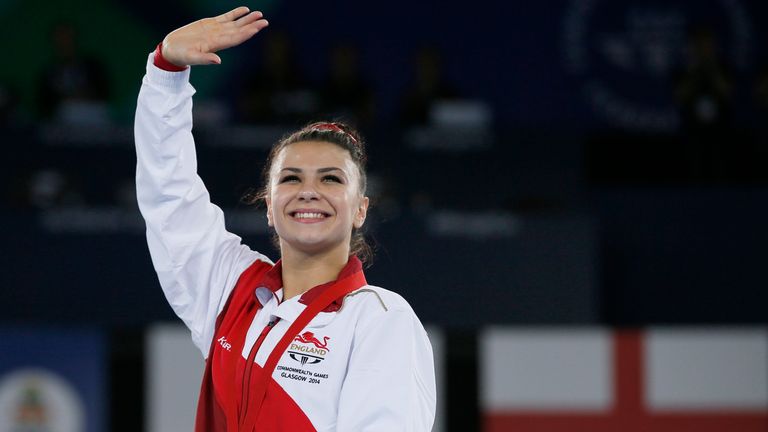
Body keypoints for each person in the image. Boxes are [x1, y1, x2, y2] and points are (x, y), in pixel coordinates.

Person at [134, 7, 436, 431]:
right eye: (291, 178)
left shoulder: (380, 320)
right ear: (270, 206)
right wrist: (166, 71)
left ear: (361, 209)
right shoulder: (230, 289)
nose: (308, 191)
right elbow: (168, 197)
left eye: (331, 179)